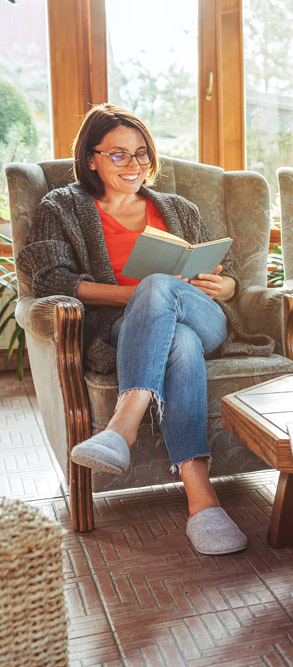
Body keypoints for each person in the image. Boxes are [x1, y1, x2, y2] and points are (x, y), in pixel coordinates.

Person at [18, 103, 274, 556]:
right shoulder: (62, 207)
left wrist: (225, 283)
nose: (132, 165)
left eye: (140, 154)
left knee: (168, 299)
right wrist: (138, 296)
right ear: (91, 157)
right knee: (178, 339)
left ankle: (122, 426)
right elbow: (51, 279)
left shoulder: (177, 208)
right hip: (125, 328)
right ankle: (203, 502)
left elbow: (230, 273)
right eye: (118, 155)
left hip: (207, 317)